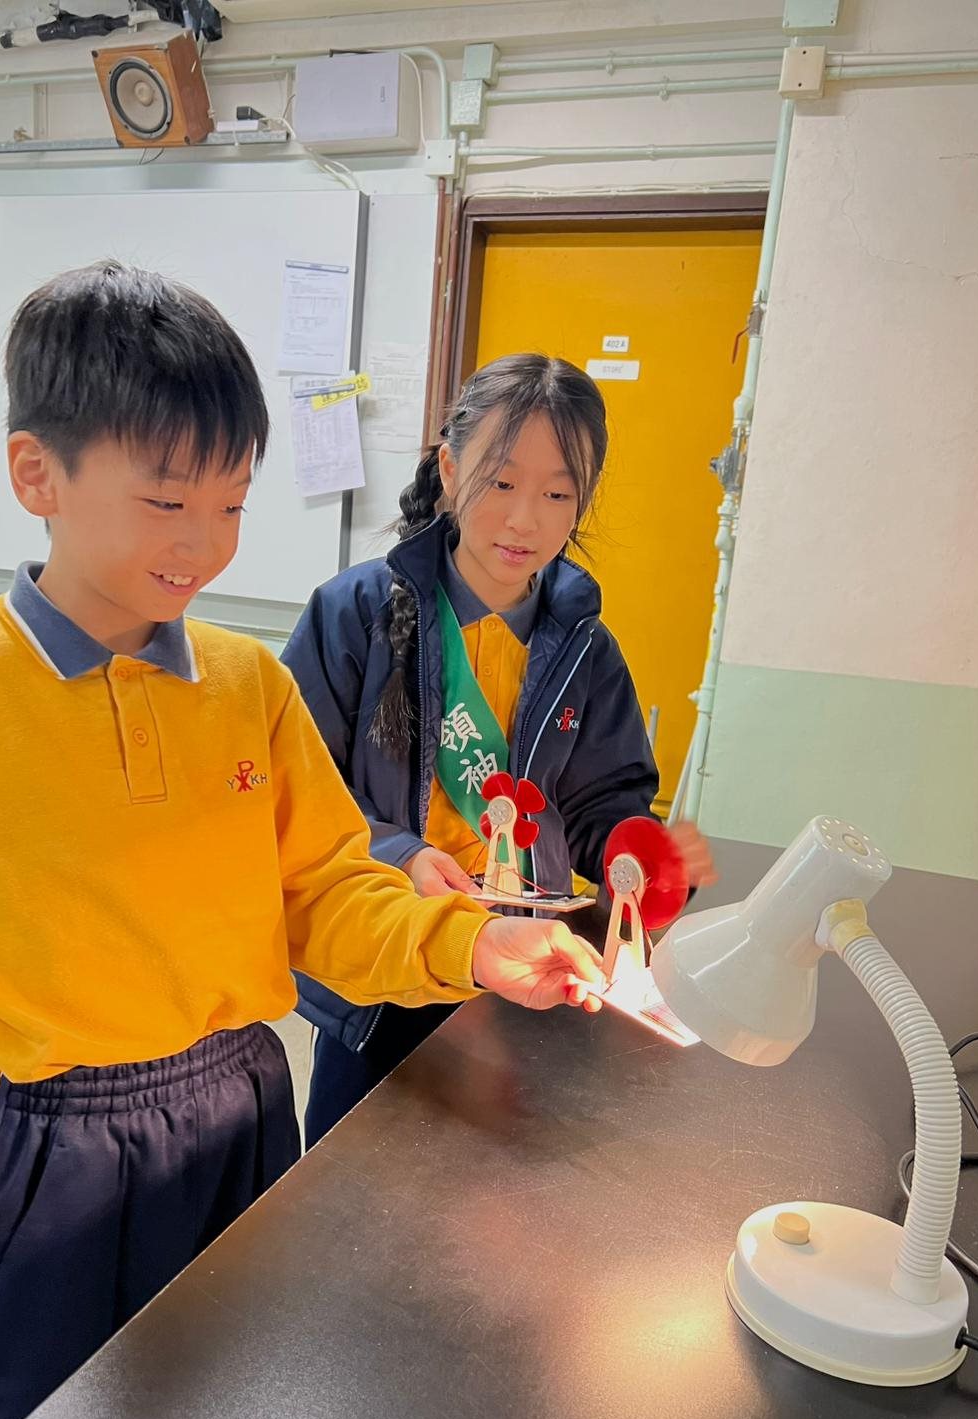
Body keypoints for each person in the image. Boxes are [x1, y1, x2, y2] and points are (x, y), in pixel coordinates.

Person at [0, 270, 606, 1419]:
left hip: (244, 1110)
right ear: (37, 474)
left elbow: (327, 890)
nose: (204, 542)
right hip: (54, 1144)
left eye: (234, 504)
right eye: (166, 500)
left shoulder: (248, 684)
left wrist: (468, 943)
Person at [283, 354, 715, 1147]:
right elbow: (298, 794)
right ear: (450, 471)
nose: (525, 520)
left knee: (496, 1182)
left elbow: (602, 801)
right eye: (502, 482)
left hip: (525, 972)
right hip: (385, 965)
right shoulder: (353, 615)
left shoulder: (586, 649)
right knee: (351, 1178)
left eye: (557, 494)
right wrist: (402, 852)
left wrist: (638, 854)